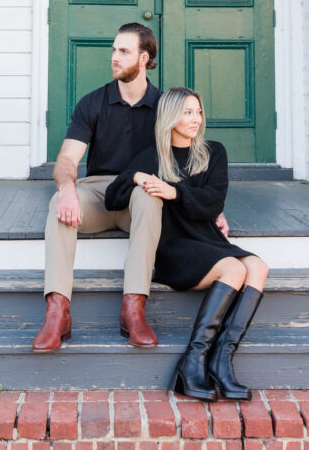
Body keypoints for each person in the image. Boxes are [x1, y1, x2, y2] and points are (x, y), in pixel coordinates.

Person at [105, 86, 268, 401]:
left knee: (258, 266)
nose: (196, 119)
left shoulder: (213, 152)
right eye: (187, 112)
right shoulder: (153, 155)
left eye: (198, 112)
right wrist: (138, 177)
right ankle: (193, 362)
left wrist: (174, 192)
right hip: (175, 247)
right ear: (170, 116)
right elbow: (113, 198)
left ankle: (221, 360)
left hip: (207, 239)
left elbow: (212, 202)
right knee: (234, 269)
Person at [32, 23, 164, 352]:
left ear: (144, 58)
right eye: (114, 50)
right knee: (58, 207)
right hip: (99, 193)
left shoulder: (164, 107)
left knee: (150, 199)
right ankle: (57, 313)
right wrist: (67, 190)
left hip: (137, 195)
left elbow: (187, 162)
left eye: (124, 52)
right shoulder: (93, 103)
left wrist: (212, 210)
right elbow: (67, 159)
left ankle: (133, 310)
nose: (115, 58)